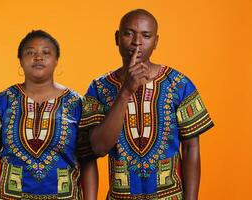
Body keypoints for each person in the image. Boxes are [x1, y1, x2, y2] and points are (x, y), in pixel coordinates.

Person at [79, 9, 214, 199]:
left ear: (156, 41)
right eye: (128, 33)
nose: (137, 42)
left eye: (146, 35)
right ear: (117, 38)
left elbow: (191, 148)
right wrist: (125, 91)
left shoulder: (179, 84)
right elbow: (98, 148)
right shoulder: (99, 89)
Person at [0, 30, 98, 200]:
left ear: (56, 60)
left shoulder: (79, 105)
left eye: (46, 52)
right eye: (30, 52)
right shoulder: (1, 102)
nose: (38, 57)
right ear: (21, 61)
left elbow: (88, 162)